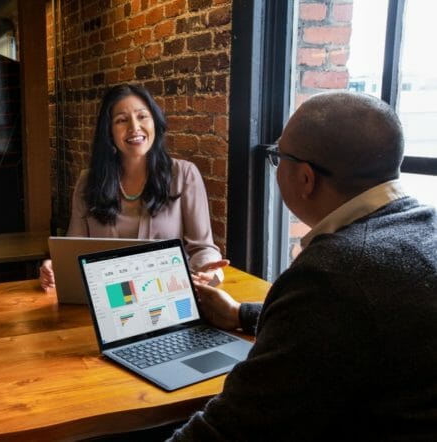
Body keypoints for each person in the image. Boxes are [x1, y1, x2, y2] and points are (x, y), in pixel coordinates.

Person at [168, 91, 437, 440]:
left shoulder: (334, 272)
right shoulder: (420, 228)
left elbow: (232, 429)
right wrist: (240, 315)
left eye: (279, 158)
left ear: (305, 179)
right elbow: (358, 323)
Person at [40, 84, 228, 290]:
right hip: (108, 296)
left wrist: (210, 269)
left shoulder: (184, 175)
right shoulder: (88, 181)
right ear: (109, 131)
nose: (134, 127)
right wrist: (55, 267)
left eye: (142, 116)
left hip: (166, 296)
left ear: (154, 121)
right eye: (121, 120)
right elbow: (73, 249)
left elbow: (202, 248)